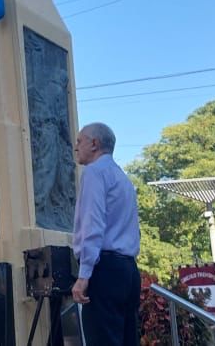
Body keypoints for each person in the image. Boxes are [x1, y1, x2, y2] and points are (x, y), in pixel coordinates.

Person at [70, 122, 141, 346]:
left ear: (94, 144)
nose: (76, 146)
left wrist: (83, 276)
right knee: (127, 339)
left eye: (80, 141)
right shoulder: (122, 178)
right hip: (128, 270)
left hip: (105, 270)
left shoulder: (94, 172)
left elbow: (93, 225)